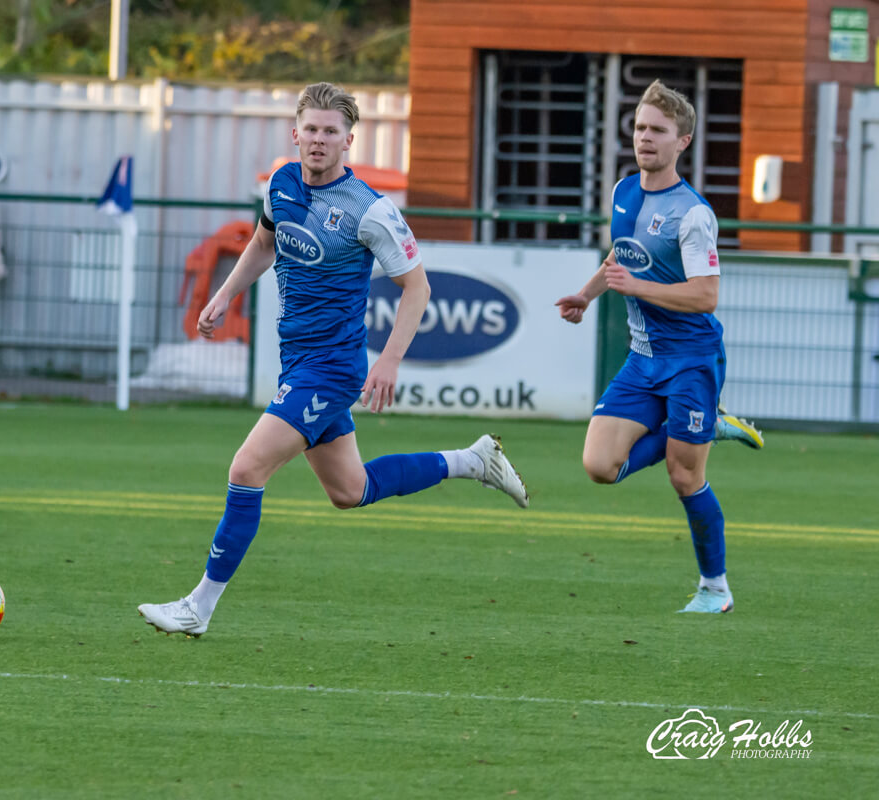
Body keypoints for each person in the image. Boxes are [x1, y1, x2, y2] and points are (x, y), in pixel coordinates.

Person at [138, 82, 529, 638]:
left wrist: (389, 361)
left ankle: (197, 607)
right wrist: (225, 296)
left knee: (247, 469)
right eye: (311, 130)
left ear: (349, 139)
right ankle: (472, 461)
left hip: (332, 369)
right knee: (350, 491)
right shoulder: (282, 182)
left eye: (330, 132)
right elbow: (263, 243)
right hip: (295, 361)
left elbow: (417, 290)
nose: (319, 140)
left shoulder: (370, 211)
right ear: (295, 134)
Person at [555, 80, 764, 615]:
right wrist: (587, 294)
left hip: (692, 360)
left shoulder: (692, 214)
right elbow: (620, 258)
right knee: (600, 466)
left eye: (658, 131)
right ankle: (705, 426)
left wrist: (638, 288)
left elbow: (706, 296)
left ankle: (715, 589)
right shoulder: (624, 191)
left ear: (683, 141)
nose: (645, 138)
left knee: (684, 474)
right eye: (640, 127)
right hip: (643, 359)